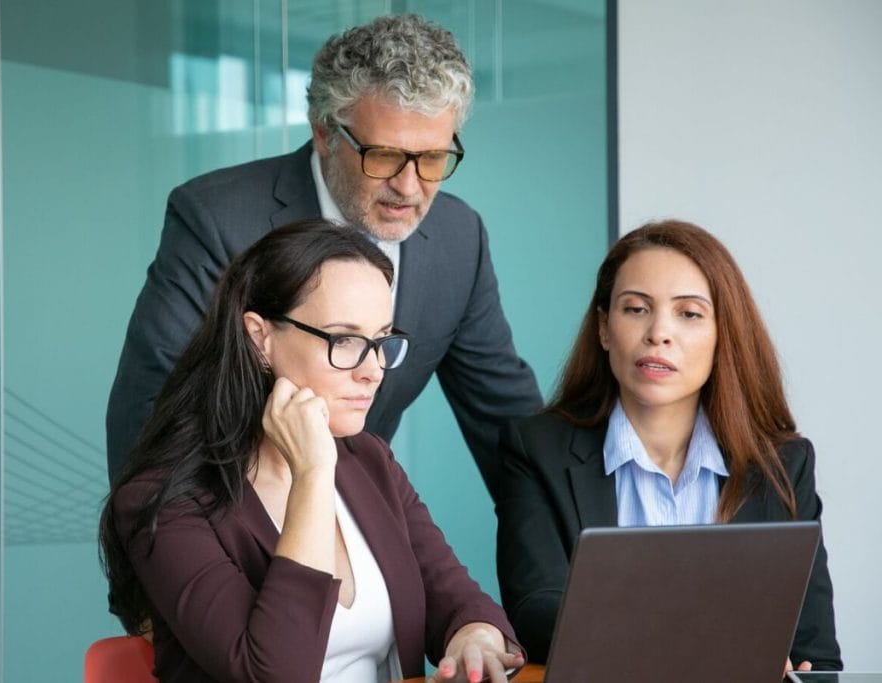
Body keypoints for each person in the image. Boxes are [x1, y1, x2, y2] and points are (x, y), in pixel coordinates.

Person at [105, 14, 542, 494]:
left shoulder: (460, 238)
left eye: (433, 159)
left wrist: (578, 556)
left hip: (364, 530)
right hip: (231, 532)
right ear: (324, 132)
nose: (409, 186)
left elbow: (509, 429)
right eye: (383, 156)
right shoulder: (217, 219)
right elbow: (151, 420)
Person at [100, 220, 525, 683]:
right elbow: (274, 673)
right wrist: (314, 474)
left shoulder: (369, 461)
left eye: (382, 341)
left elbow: (457, 597)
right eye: (344, 340)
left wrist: (475, 636)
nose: (374, 371)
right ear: (259, 338)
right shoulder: (163, 500)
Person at [495, 220, 842, 670]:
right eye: (636, 309)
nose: (659, 333)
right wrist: (714, 650)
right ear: (604, 328)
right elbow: (537, 612)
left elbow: (816, 656)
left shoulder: (783, 465)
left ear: (723, 336)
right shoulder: (536, 449)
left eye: (689, 314)